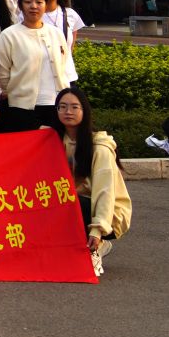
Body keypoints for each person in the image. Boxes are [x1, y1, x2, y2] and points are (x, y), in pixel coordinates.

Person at [55, 87, 131, 278]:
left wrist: (97, 230)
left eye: (74, 107)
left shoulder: (99, 148)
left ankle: (95, 247)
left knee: (69, 202)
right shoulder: (54, 141)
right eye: (62, 107)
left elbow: (105, 193)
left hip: (109, 214)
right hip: (76, 203)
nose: (68, 112)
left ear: (84, 111)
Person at [0, 0, 77, 132]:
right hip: (24, 107)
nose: (33, 6)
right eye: (28, 2)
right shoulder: (9, 35)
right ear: (20, 6)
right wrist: (12, 91)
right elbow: (2, 73)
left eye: (39, 2)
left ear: (45, 5)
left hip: (57, 103)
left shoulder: (56, 33)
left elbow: (64, 64)